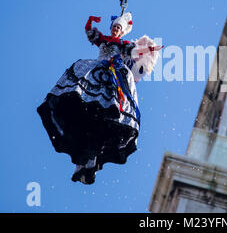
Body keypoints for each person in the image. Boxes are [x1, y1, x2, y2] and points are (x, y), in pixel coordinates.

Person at [37, 13, 161, 184]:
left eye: (119, 28)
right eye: (114, 27)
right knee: (86, 117)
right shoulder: (103, 40)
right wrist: (90, 21)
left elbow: (135, 51)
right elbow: (89, 32)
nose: (116, 29)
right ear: (111, 28)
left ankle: (89, 164)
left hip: (112, 77)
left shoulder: (123, 45)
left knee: (99, 123)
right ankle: (81, 165)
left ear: (122, 31)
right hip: (96, 72)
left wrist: (150, 50)